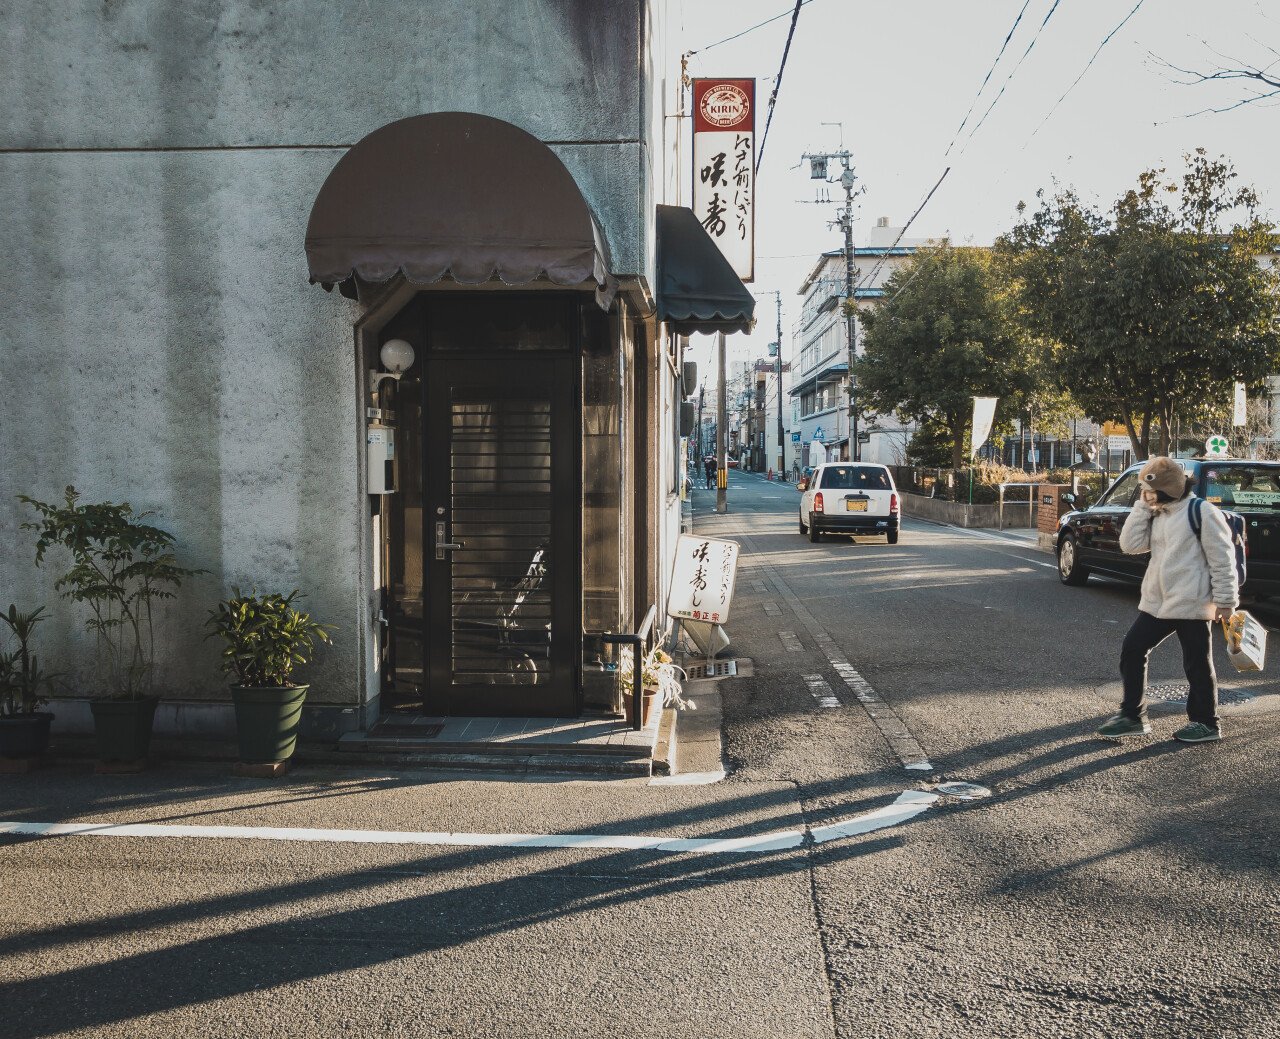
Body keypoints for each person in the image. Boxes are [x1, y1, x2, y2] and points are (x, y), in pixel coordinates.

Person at [1097, 456, 1238, 743]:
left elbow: (1224, 561)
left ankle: (1206, 723)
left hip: (1192, 602)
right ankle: (1133, 716)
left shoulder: (1203, 513)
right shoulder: (1157, 512)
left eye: (1149, 491)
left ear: (1168, 488)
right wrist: (1142, 509)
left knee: (1197, 663)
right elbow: (1130, 545)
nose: (1145, 495)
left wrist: (1226, 602)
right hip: (1157, 602)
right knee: (1133, 649)